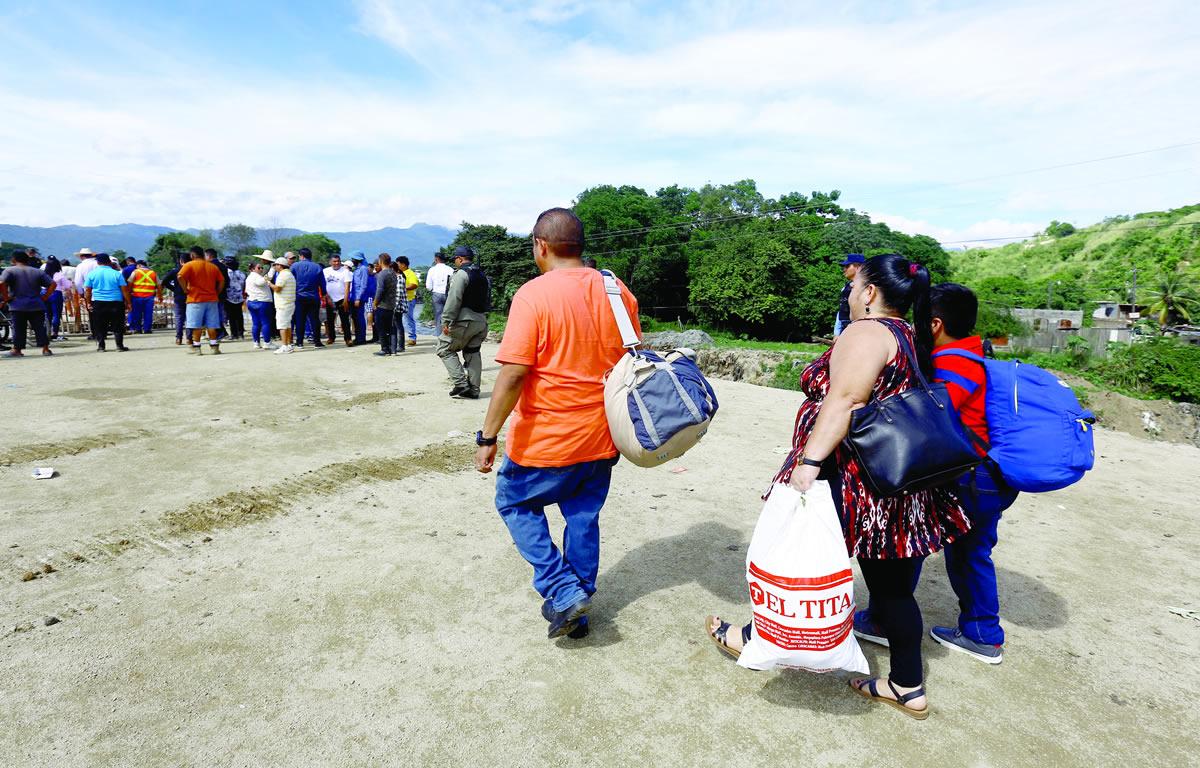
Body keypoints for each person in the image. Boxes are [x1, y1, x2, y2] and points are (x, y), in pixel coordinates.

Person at [706, 253, 968, 720]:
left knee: (792, 557)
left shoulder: (866, 332)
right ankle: (907, 685)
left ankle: (756, 637)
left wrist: (808, 463)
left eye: (853, 287)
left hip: (849, 478)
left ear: (869, 292)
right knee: (892, 589)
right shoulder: (907, 334)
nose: (848, 295)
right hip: (888, 485)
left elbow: (845, 399)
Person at [474, 208, 640, 641]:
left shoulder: (534, 294)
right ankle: (577, 612)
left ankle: (563, 591)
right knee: (582, 517)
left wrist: (488, 435)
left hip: (546, 439)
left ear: (540, 245)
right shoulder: (617, 291)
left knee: (514, 503)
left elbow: (514, 373)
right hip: (602, 436)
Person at [855, 283, 1017, 664]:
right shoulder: (974, 352)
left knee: (917, 547)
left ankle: (886, 620)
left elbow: (932, 416)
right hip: (986, 477)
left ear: (935, 324)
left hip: (972, 480)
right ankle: (980, 631)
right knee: (966, 553)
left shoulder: (954, 363)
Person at [437, 246, 489, 399]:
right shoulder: (482, 274)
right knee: (472, 352)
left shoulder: (461, 274)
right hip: (481, 321)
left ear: (459, 259)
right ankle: (474, 389)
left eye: (455, 259)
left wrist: (446, 320)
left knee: (444, 349)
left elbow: (454, 298)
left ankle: (461, 384)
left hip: (464, 320)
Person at [1, 250, 55, 357]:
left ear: (14, 259)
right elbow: (53, 284)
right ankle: (45, 349)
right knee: (39, 327)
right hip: (36, 304)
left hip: (17, 305)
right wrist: (45, 297)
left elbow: (1, 283)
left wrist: (6, 298)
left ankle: (17, 350)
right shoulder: (37, 271)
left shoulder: (9, 270)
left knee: (19, 328)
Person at [178, 246, 225, 354]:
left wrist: (185, 289)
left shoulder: (189, 265)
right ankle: (214, 347)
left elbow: (180, 276)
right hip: (212, 299)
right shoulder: (212, 266)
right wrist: (217, 292)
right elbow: (222, 281)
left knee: (196, 325)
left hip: (195, 299)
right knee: (212, 325)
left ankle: (197, 347)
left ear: (192, 255)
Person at [83, 253, 131, 352]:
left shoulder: (92, 274)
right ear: (109, 262)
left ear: (97, 262)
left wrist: (88, 303)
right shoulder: (117, 274)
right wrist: (128, 302)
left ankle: (101, 346)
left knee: (99, 325)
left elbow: (87, 291)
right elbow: (124, 290)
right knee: (118, 325)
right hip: (116, 302)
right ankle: (119, 346)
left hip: (98, 302)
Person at [290, 247, 326, 348]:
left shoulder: (294, 266)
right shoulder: (317, 267)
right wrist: (323, 293)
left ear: (301, 256)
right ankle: (317, 341)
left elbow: (290, 281)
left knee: (300, 319)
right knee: (315, 319)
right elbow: (322, 283)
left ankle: (300, 342)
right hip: (314, 296)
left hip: (299, 296)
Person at [372, 253, 404, 356]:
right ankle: (392, 349)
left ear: (381, 261)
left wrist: (375, 302)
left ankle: (384, 349)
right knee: (390, 328)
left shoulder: (382, 274)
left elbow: (380, 290)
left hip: (382, 305)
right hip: (391, 305)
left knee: (381, 327)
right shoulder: (393, 273)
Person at [266, 255, 297, 354]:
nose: (274, 267)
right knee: (287, 325)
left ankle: (284, 346)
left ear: (280, 265)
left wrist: (269, 283)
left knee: (282, 325)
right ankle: (288, 344)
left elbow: (277, 288)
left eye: (275, 265)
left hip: (283, 304)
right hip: (289, 303)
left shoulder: (282, 275)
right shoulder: (289, 274)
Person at [244, 255, 275, 349]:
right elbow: (262, 282)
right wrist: (272, 269)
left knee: (256, 323)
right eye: (259, 268)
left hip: (252, 301)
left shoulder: (249, 277)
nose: (261, 269)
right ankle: (267, 342)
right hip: (262, 302)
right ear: (252, 269)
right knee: (265, 323)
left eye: (261, 267)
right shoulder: (255, 277)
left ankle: (256, 342)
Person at [322, 253, 353, 345]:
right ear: (330, 262)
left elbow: (347, 286)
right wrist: (327, 297)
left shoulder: (345, 271)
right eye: (334, 261)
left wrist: (346, 300)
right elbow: (323, 285)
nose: (336, 263)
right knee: (330, 320)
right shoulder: (325, 271)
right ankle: (331, 338)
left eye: (338, 261)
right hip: (329, 299)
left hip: (342, 298)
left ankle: (348, 339)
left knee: (345, 320)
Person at [161, 255, 190, 345]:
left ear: (181, 261)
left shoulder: (175, 271)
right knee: (190, 318)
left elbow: (164, 281)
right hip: (191, 296)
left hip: (178, 296)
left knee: (179, 317)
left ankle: (178, 338)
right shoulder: (192, 270)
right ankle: (189, 338)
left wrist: (174, 289)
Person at [833, 253, 864, 336]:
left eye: (847, 266)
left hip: (859, 329)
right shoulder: (845, 288)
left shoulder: (868, 288)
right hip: (845, 328)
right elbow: (841, 310)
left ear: (858, 267)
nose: (844, 269)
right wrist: (836, 332)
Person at [127, 260, 159, 334]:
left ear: (139, 265)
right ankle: (147, 329)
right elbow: (159, 285)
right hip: (149, 297)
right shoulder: (153, 273)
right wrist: (160, 295)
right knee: (148, 314)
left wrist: (128, 293)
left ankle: (138, 329)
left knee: (137, 314)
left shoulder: (135, 272)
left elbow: (129, 283)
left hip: (136, 296)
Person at [43, 256, 72, 341]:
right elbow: (67, 285)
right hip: (56, 293)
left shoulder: (43, 274)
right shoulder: (59, 274)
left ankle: (47, 332)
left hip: (44, 293)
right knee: (56, 314)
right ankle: (54, 333)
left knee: (47, 314)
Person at [72, 248, 99, 338]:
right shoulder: (98, 264)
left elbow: (78, 282)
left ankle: (95, 333)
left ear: (81, 256)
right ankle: (103, 331)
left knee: (92, 313)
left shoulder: (81, 266)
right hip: (101, 291)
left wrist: (81, 294)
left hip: (88, 291)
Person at [348, 252, 372, 345]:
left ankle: (361, 338)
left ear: (357, 259)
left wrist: (358, 298)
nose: (352, 261)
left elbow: (363, 285)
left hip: (359, 298)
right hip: (353, 297)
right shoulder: (357, 269)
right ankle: (358, 337)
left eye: (353, 259)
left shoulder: (363, 269)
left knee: (359, 318)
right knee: (355, 318)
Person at [425, 252, 453, 329]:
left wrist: (432, 289)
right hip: (448, 294)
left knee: (438, 316)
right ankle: (448, 332)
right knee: (448, 315)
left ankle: (439, 333)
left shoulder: (432, 270)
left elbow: (428, 286)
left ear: (436, 259)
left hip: (436, 294)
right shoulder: (450, 269)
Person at [397, 255, 420, 347]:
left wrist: (403, 287)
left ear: (403, 264)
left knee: (408, 319)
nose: (397, 266)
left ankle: (412, 338)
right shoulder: (400, 273)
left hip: (408, 299)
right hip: (401, 299)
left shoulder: (410, 273)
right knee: (401, 319)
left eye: (398, 264)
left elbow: (414, 284)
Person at [223, 257, 246, 340]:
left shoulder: (226, 273)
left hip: (229, 297)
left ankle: (234, 334)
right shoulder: (241, 274)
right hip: (239, 297)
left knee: (231, 317)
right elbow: (243, 285)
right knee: (239, 315)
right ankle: (241, 333)